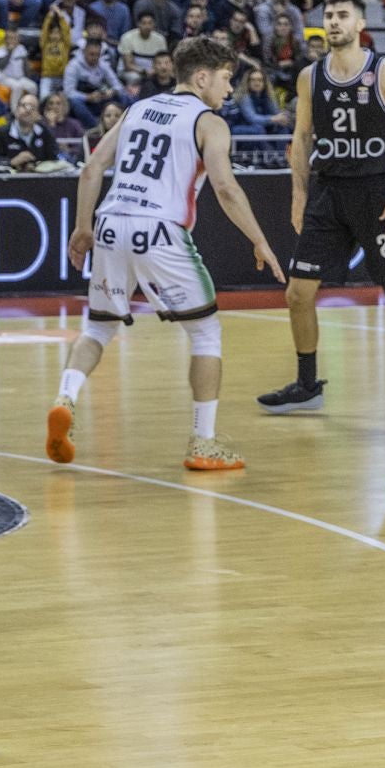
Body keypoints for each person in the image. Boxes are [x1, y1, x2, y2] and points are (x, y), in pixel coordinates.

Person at [46, 37, 286, 472]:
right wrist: (260, 240)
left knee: (98, 329)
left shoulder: (137, 108)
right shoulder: (210, 123)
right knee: (206, 334)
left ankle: (65, 397)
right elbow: (227, 190)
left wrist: (83, 228)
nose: (229, 90)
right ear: (202, 77)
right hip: (159, 229)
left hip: (110, 222)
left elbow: (91, 168)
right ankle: (204, 442)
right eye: (226, 79)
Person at [257, 0, 385, 425]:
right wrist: (299, 194)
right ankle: (306, 386)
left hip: (377, 194)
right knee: (297, 293)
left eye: (342, 16)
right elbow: (301, 139)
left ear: (359, 25)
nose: (333, 22)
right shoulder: (310, 77)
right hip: (329, 192)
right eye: (328, 16)